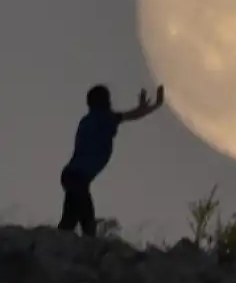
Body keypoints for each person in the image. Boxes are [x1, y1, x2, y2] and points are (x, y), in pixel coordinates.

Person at [59, 84, 164, 237]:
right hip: (77, 178)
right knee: (86, 222)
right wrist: (152, 106)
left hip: (73, 176)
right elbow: (134, 115)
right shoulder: (104, 118)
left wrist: (144, 107)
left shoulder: (89, 120)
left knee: (72, 219)